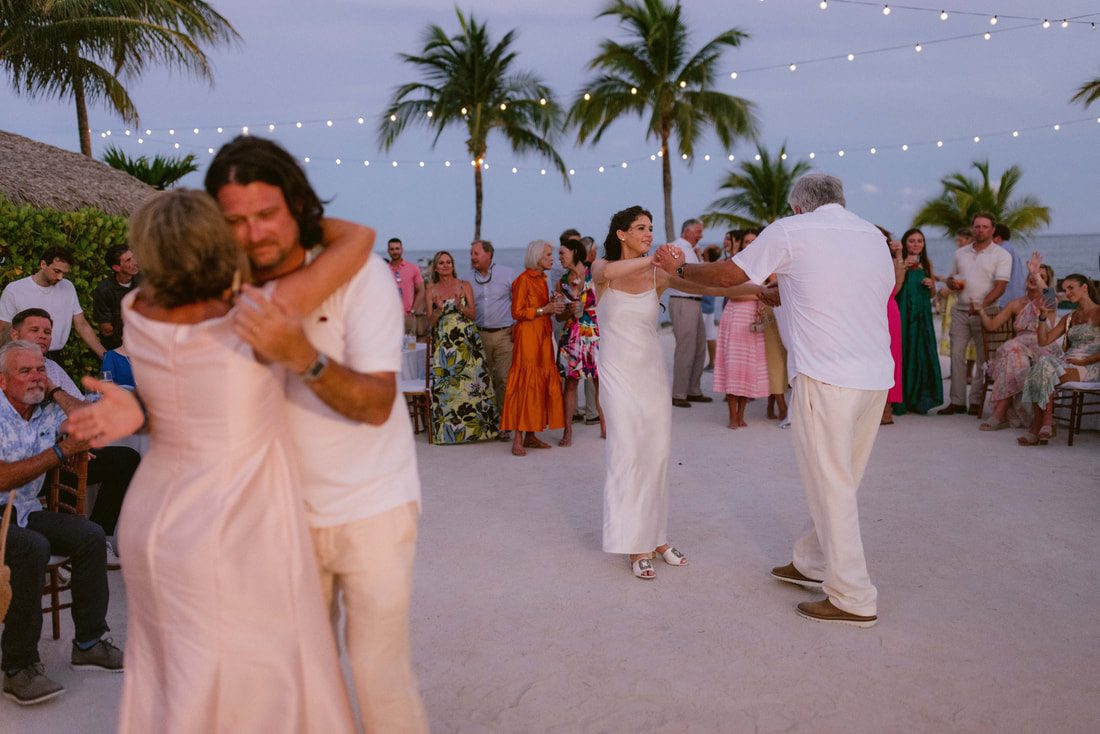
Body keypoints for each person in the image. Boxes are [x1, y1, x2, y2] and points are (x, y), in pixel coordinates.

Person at [65, 188, 367, 733]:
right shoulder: (256, 313)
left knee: (178, 676)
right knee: (261, 677)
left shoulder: (138, 309)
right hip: (241, 514)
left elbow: (171, 408)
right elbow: (358, 239)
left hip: (156, 516)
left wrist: (133, 413)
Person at [204, 136, 430, 734]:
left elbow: (379, 403)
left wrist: (301, 355)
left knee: (382, 679)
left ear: (299, 207)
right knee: (302, 684)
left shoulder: (363, 279)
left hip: (373, 508)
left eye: (266, 214)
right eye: (235, 221)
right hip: (278, 518)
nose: (253, 234)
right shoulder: (222, 293)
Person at [658, 173, 893, 627]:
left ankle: (853, 596)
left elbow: (730, 272)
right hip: (875, 377)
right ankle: (811, 561)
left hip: (828, 377)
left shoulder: (791, 229)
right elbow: (858, 289)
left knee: (832, 485)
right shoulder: (871, 234)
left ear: (798, 206)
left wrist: (677, 271)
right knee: (841, 480)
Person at [594, 206, 760, 579]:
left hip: (652, 373)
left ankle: (657, 537)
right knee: (626, 452)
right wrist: (652, 260)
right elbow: (608, 272)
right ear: (621, 234)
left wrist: (760, 289)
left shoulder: (659, 276)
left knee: (656, 453)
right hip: (618, 373)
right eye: (640, 228)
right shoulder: (602, 269)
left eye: (651, 228)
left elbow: (713, 286)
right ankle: (634, 543)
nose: (649, 233)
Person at [0, 341, 122, 706]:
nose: (36, 376)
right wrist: (58, 452)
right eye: (26, 371)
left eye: (41, 369)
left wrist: (52, 389)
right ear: (2, 381)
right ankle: (18, 667)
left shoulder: (45, 409)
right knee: (32, 547)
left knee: (90, 534)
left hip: (23, 510)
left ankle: (88, 642)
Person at [8, 308, 139, 561]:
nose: (43, 336)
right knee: (66, 464)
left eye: (47, 331)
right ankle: (60, 543)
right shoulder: (4, 369)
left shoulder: (53, 368)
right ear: (14, 334)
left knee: (126, 458)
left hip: (64, 454)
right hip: (21, 465)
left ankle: (100, 535)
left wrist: (55, 391)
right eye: (34, 330)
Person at [938, 212, 1011, 416]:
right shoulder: (960, 253)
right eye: (977, 226)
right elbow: (952, 278)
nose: (980, 230)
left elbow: (1001, 287)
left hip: (986, 312)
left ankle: (976, 402)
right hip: (960, 311)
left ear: (992, 230)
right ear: (972, 228)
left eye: (985, 227)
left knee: (982, 359)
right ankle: (957, 402)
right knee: (956, 355)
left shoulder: (1002, 255)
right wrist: (951, 283)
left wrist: (980, 305)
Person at [425, 250, 499, 444]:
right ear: (435, 267)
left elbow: (473, 314)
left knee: (474, 385)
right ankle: (449, 434)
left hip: (467, 341)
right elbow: (430, 322)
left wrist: (460, 307)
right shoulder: (431, 289)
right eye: (441, 262)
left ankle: (482, 431)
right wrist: (439, 310)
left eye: (448, 262)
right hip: (445, 344)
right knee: (448, 388)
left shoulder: (464, 285)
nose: (445, 265)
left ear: (453, 265)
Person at [977, 256, 1059, 430]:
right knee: (1011, 351)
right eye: (1030, 274)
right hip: (1019, 346)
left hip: (1043, 343)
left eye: (1040, 276)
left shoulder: (1049, 301)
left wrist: (1035, 274)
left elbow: (1049, 295)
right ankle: (1001, 413)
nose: (1033, 277)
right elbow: (992, 325)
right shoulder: (1016, 304)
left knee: (1011, 351)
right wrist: (981, 312)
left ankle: (1000, 412)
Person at [500, 240, 565, 456]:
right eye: (548, 254)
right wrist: (542, 309)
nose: (552, 258)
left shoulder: (542, 280)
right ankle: (517, 438)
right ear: (537, 257)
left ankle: (531, 435)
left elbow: (540, 307)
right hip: (528, 337)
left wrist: (550, 303)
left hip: (543, 336)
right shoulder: (522, 280)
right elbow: (517, 312)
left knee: (540, 383)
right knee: (525, 383)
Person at [1018, 273, 1100, 445]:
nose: (1068, 293)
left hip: (1091, 365)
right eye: (1065, 290)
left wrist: (1083, 362)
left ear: (1084, 288)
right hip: (1067, 364)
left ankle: (1039, 425)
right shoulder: (1070, 317)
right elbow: (1043, 341)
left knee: (1042, 366)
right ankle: (1045, 422)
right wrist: (1042, 316)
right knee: (1039, 366)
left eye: (1071, 288)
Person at [0, 246, 105, 360]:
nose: (60, 277)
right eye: (57, 271)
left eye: (64, 273)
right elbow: (3, 329)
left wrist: (106, 356)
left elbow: (82, 325)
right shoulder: (14, 290)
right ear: (43, 264)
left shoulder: (68, 287)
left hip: (56, 357)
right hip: (22, 356)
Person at [713, 251, 769, 429]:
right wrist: (759, 295)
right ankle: (732, 416)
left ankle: (741, 415)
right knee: (733, 367)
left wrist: (762, 301)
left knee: (747, 369)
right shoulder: (735, 270)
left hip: (752, 320)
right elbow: (733, 294)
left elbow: (767, 293)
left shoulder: (761, 272)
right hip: (735, 318)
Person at [555, 238, 603, 446]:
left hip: (594, 332)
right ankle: (567, 432)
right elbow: (558, 317)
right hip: (571, 336)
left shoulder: (596, 274)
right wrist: (568, 310)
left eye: (562, 253)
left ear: (575, 252)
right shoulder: (562, 282)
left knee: (599, 381)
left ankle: (605, 427)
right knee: (571, 383)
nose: (559, 258)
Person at [469, 239, 516, 441]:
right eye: (471, 253)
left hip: (505, 334)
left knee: (504, 379)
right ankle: (484, 423)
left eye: (476, 253)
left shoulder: (507, 274)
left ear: (489, 254)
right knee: (481, 380)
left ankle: (505, 423)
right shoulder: (466, 279)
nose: (472, 257)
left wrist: (516, 324)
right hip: (479, 335)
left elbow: (519, 299)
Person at [894, 228, 943, 415]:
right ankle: (902, 399)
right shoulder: (899, 262)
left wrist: (932, 285)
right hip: (905, 312)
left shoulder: (927, 263)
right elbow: (896, 288)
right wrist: (903, 266)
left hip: (923, 315)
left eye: (920, 241)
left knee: (922, 353)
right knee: (905, 351)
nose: (916, 244)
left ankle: (920, 399)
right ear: (906, 243)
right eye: (912, 241)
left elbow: (931, 294)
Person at [666, 218, 713, 408]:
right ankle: (679, 393)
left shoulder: (693, 251)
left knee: (699, 348)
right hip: (683, 302)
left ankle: (694, 390)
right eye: (698, 231)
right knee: (685, 349)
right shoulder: (677, 248)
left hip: (696, 302)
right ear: (687, 232)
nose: (701, 235)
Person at [91, 245, 141, 351]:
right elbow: (106, 330)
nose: (135, 262)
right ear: (116, 268)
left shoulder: (144, 281)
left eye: (133, 257)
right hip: (118, 350)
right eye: (128, 260)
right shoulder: (103, 290)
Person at [880, 229, 905, 425]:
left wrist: (898, 255)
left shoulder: (890, 261)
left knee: (890, 357)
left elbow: (897, 286)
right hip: (864, 312)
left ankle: (886, 410)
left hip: (887, 311)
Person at [388, 237, 426, 337]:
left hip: (408, 316)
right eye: (392, 249)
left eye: (397, 248)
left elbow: (421, 290)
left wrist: (413, 310)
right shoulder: (383, 270)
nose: (395, 251)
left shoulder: (413, 268)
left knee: (410, 348)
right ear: (388, 251)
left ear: (402, 249)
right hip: (389, 317)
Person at [994, 224, 1026, 306]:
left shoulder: (1002, 250)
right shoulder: (1011, 248)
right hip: (1017, 296)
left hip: (1005, 300)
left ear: (997, 238)